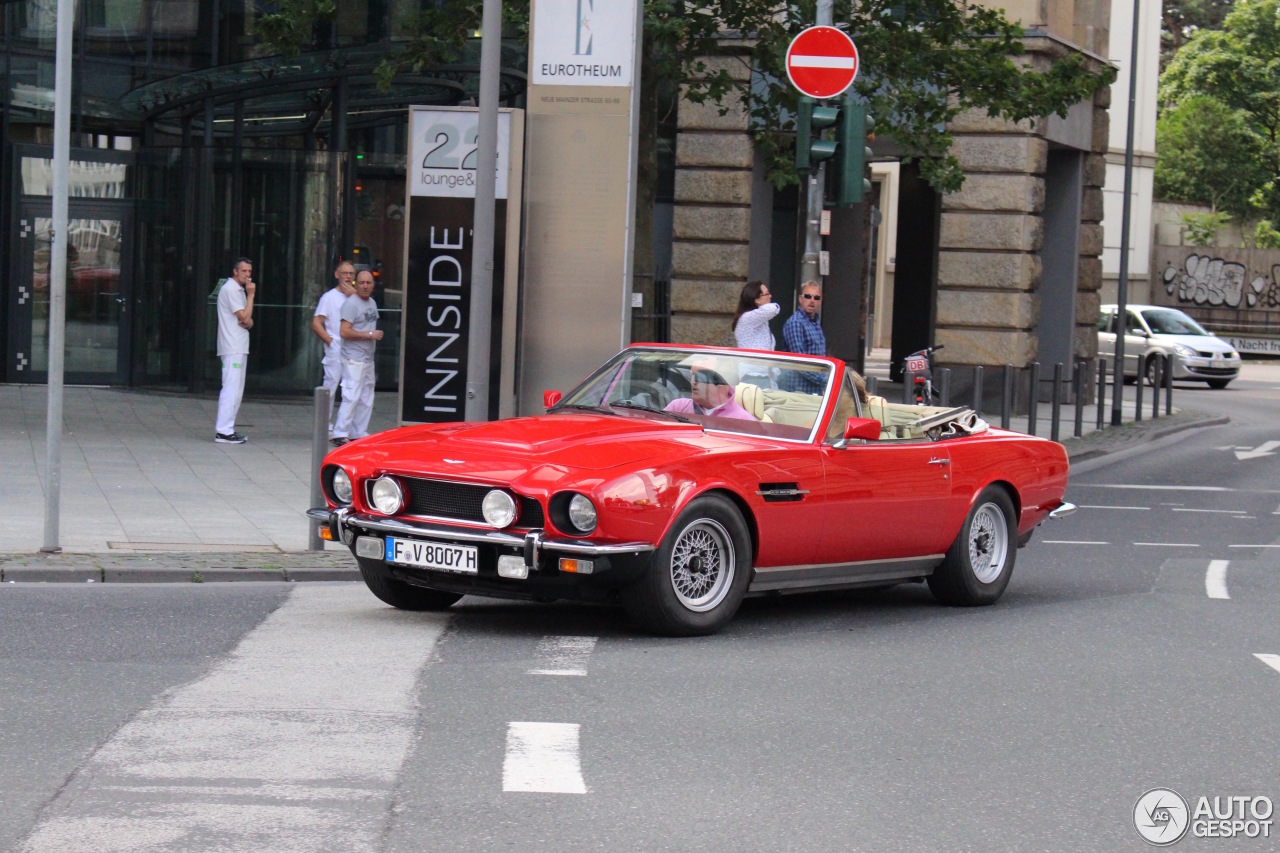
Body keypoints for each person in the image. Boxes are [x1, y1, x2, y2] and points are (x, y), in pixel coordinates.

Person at [331, 269, 383, 446]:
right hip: (353, 358)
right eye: (361, 283)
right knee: (351, 395)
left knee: (366, 397)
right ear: (356, 284)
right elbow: (344, 331)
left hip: (368, 358)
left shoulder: (372, 303)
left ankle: (358, 432)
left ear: (373, 285)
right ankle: (340, 432)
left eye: (368, 283)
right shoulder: (351, 304)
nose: (365, 286)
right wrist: (369, 334)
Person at [310, 260, 356, 430]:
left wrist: (355, 297)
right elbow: (316, 323)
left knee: (351, 387)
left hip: (353, 347)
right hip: (336, 346)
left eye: (351, 274)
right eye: (345, 273)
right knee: (330, 385)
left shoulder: (357, 297)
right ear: (337, 275)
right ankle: (324, 424)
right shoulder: (329, 297)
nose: (348, 277)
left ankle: (345, 426)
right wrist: (330, 342)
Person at [214, 258, 255, 444]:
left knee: (236, 389)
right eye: (244, 271)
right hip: (232, 346)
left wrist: (247, 319)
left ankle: (227, 428)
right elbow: (245, 317)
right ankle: (223, 430)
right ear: (235, 271)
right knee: (231, 388)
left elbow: (248, 320)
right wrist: (251, 295)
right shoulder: (231, 290)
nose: (248, 274)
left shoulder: (237, 290)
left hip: (237, 345)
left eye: (249, 271)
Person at [732, 280, 781, 388]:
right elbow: (773, 309)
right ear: (757, 299)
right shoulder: (748, 318)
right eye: (767, 294)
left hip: (763, 375)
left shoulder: (756, 318)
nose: (770, 296)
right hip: (753, 376)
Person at [782, 281, 827, 394]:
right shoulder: (796, 323)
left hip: (814, 389)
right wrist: (823, 379)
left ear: (820, 301)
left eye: (816, 298)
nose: (812, 300)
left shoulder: (815, 322)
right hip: (798, 389)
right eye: (807, 296)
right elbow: (799, 360)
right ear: (800, 299)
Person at [664, 368, 756, 421]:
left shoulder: (743, 420)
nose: (693, 381)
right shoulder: (678, 407)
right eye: (692, 375)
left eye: (700, 377)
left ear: (721, 384)